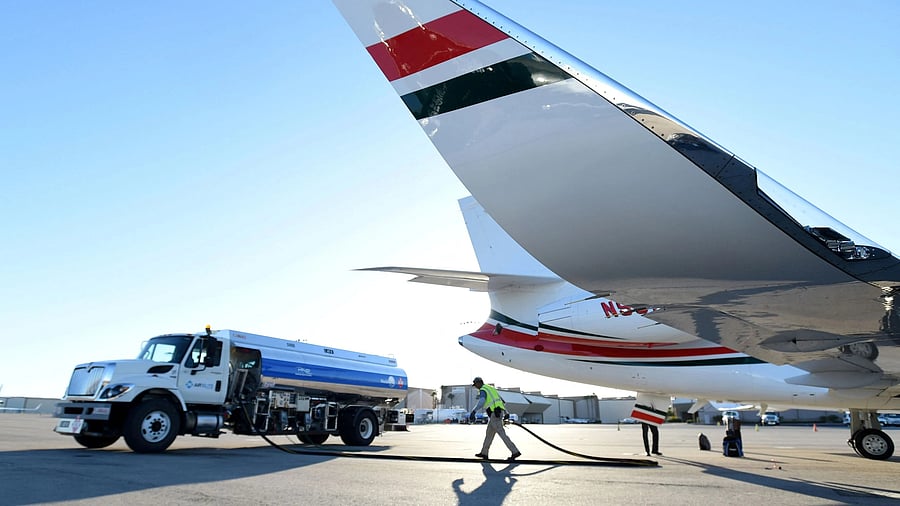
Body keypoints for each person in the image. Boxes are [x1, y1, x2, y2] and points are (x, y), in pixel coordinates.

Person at [469, 377, 521, 461]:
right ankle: (484, 453)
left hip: (495, 414)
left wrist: (473, 411)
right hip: (496, 413)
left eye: (475, 385)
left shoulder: (483, 390)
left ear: (479, 383)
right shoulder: (491, 388)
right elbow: (501, 401)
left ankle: (515, 451)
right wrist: (506, 412)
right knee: (489, 433)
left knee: (502, 433)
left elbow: (481, 402)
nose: (475, 387)